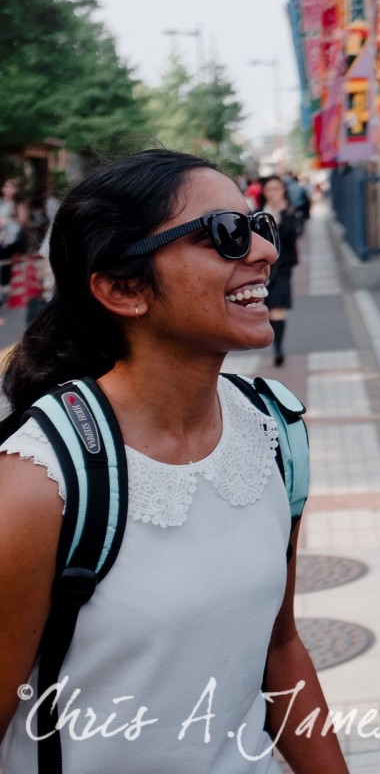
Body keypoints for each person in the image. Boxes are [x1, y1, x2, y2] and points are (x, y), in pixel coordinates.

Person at [0, 149, 347, 772]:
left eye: (259, 224)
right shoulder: (38, 482)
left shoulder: (274, 431)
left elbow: (281, 647)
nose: (265, 251)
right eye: (227, 234)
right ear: (123, 288)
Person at [260, 175, 301, 367]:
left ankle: (278, 348)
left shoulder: (289, 212)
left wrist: (283, 217)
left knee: (277, 308)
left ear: (283, 190)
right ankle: (275, 344)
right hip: (263, 268)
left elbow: (293, 236)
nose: (274, 193)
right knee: (267, 309)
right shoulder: (259, 214)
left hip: (283, 267)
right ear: (264, 192)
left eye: (277, 188)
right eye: (270, 189)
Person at [0, 176, 29, 303]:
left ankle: (5, 290)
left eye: (12, 186)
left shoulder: (18, 203)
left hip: (11, 239)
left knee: (6, 265)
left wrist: (10, 217)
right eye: (7, 186)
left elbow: (23, 221)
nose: (9, 189)